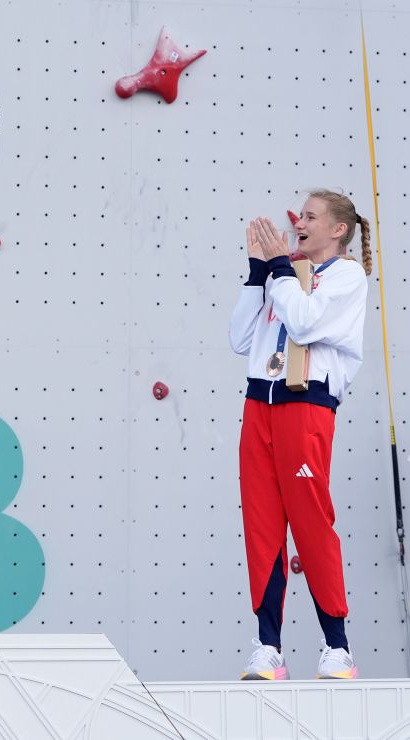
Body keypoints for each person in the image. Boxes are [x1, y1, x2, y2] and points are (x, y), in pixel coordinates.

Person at [229, 190, 372, 680]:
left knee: (311, 519)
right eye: (299, 217)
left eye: (310, 217)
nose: (298, 223)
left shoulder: (348, 276)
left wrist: (278, 272)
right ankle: (268, 646)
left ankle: (337, 647)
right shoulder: (281, 275)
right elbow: (241, 339)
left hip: (306, 404)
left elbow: (307, 322)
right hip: (259, 402)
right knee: (262, 525)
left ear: (338, 229)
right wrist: (257, 274)